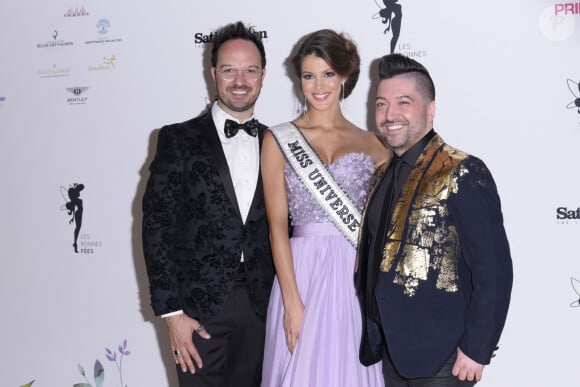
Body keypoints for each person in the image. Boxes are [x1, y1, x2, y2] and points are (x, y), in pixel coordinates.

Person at [355, 53, 513, 386]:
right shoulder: (382, 175)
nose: (389, 114)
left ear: (430, 109)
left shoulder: (461, 170)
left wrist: (477, 348)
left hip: (445, 358)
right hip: (392, 354)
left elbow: (494, 269)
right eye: (381, 104)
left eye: (403, 102)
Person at [142, 21, 274, 387]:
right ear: (214, 74)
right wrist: (171, 314)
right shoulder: (177, 139)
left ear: (263, 75)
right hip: (198, 311)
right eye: (230, 70)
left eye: (250, 70)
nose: (240, 80)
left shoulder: (277, 143)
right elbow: (156, 228)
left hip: (263, 308)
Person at [261, 29, 390, 387]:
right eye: (309, 75)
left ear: (345, 75)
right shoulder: (278, 139)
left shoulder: (373, 144)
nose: (318, 85)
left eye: (328, 74)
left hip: (352, 274)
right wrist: (291, 302)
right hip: (300, 271)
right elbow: (276, 228)